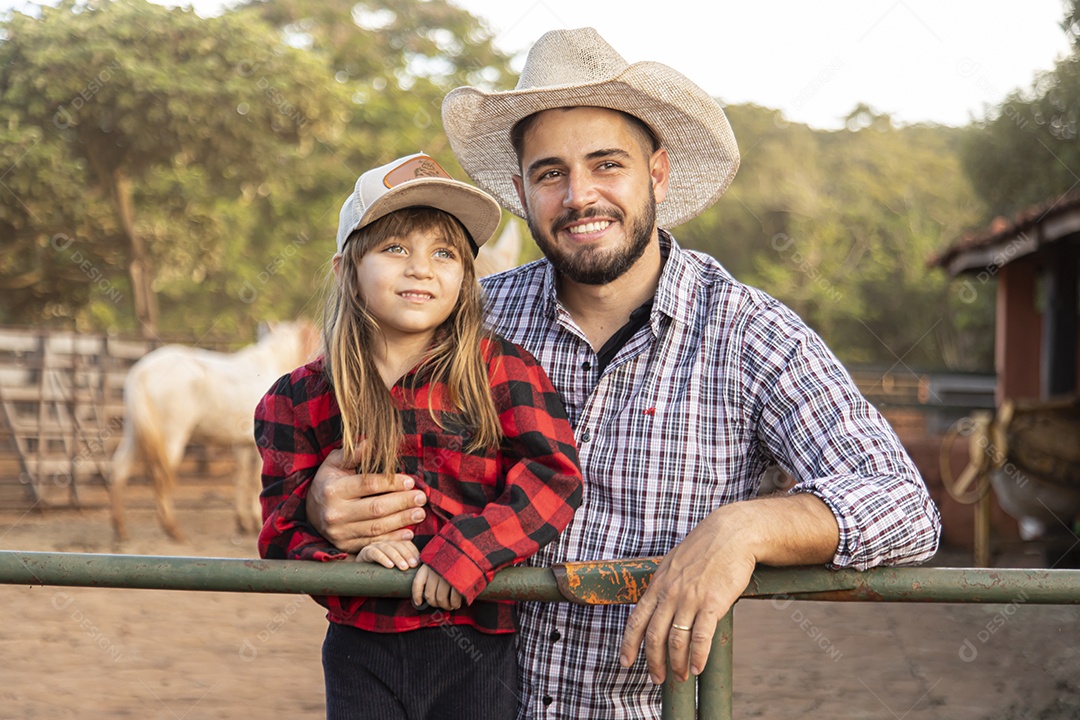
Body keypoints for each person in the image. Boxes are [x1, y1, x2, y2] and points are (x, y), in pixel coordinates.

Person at [304, 29, 942, 719]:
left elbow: (905, 507)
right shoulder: (472, 319)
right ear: (521, 189)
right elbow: (351, 432)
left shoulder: (751, 334)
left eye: (607, 165)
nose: (580, 196)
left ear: (657, 173)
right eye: (550, 173)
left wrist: (745, 529)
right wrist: (323, 502)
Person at [254, 152, 583, 720]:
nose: (422, 269)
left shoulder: (502, 372)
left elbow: (553, 477)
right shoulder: (296, 398)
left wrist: (468, 552)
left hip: (475, 644)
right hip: (360, 643)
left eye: (444, 253)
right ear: (345, 270)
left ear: (465, 277)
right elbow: (281, 528)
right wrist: (351, 560)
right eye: (396, 248)